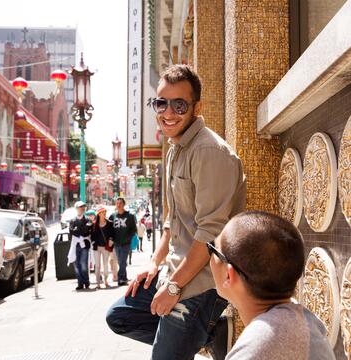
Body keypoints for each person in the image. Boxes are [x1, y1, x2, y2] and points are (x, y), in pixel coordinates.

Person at [106, 64, 246, 359]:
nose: (168, 113)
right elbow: (173, 223)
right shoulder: (175, 150)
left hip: (203, 283)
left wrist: (173, 288)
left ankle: (198, 330)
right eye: (161, 103)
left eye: (179, 104)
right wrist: (155, 264)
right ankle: (210, 334)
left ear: (196, 107)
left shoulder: (208, 151)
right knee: (119, 316)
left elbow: (210, 235)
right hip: (174, 271)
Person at [208, 211, 335, 360]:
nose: (209, 255)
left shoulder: (258, 348)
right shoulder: (302, 320)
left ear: (229, 275)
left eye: (212, 248)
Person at [109, 198, 137, 286]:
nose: (118, 205)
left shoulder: (130, 216)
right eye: (117, 203)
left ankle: (120, 278)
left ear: (124, 204)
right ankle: (123, 278)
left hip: (126, 243)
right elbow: (109, 229)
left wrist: (129, 238)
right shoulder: (112, 216)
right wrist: (111, 239)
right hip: (116, 243)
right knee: (120, 261)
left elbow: (134, 230)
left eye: (120, 203)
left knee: (122, 260)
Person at [67, 201, 92, 291]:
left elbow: (87, 230)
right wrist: (80, 230)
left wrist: (78, 230)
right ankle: (80, 283)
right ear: (76, 208)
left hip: (85, 244)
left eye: (83, 207)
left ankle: (86, 282)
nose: (82, 208)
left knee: (83, 264)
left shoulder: (88, 220)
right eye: (80, 207)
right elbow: (71, 231)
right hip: (75, 245)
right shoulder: (72, 220)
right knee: (76, 264)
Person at [91, 207, 113, 289]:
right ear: (99, 214)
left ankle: (106, 281)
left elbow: (112, 234)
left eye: (105, 212)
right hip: (96, 247)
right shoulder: (94, 224)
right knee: (97, 265)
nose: (104, 213)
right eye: (102, 212)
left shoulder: (109, 223)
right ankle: (98, 283)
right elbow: (92, 235)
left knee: (105, 264)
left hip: (105, 247)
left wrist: (111, 239)